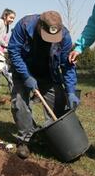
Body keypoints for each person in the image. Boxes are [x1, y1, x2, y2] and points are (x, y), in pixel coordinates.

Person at [8, 11, 79, 159]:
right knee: (19, 103)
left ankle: (55, 138)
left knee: (58, 100)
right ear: (40, 27)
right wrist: (26, 76)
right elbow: (14, 51)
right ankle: (25, 139)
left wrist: (71, 91)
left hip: (48, 73)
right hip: (24, 70)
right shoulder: (24, 25)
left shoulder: (64, 36)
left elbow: (67, 65)